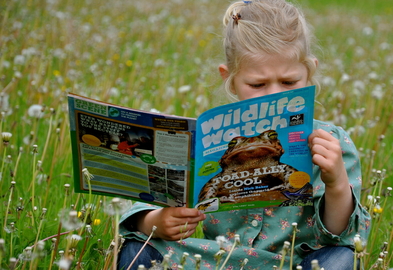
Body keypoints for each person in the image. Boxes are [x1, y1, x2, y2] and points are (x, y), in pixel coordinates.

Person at [118, 0, 370, 269]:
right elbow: (143, 213)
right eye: (257, 84)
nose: (275, 95)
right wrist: (155, 221)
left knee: (342, 257)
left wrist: (337, 184)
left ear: (309, 73)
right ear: (230, 79)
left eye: (289, 82)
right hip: (218, 260)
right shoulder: (207, 139)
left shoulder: (329, 141)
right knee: (138, 246)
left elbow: (341, 235)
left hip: (295, 263)